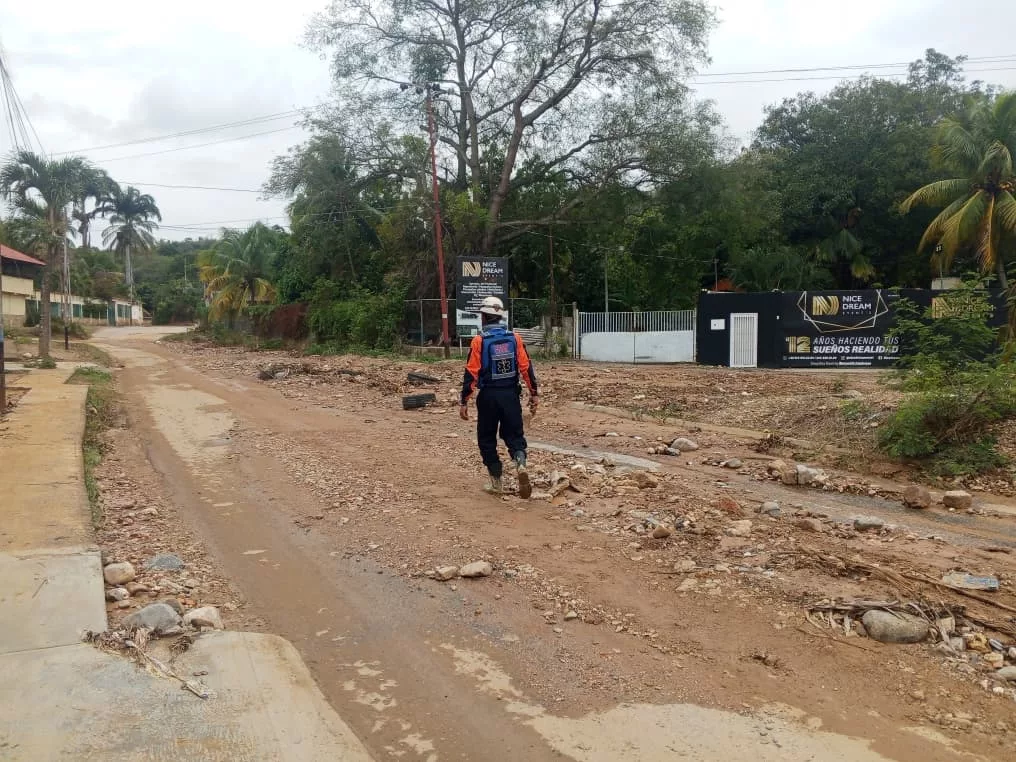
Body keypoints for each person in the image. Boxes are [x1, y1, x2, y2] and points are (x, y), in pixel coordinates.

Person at [459, 296, 539, 497]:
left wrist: (464, 400)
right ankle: (520, 463)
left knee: (486, 438)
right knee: (515, 436)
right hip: (510, 396)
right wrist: (534, 393)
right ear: (500, 316)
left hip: (488, 397)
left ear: (484, 317)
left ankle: (496, 481)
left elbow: (471, 373)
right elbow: (526, 367)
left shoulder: (479, 341)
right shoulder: (515, 338)